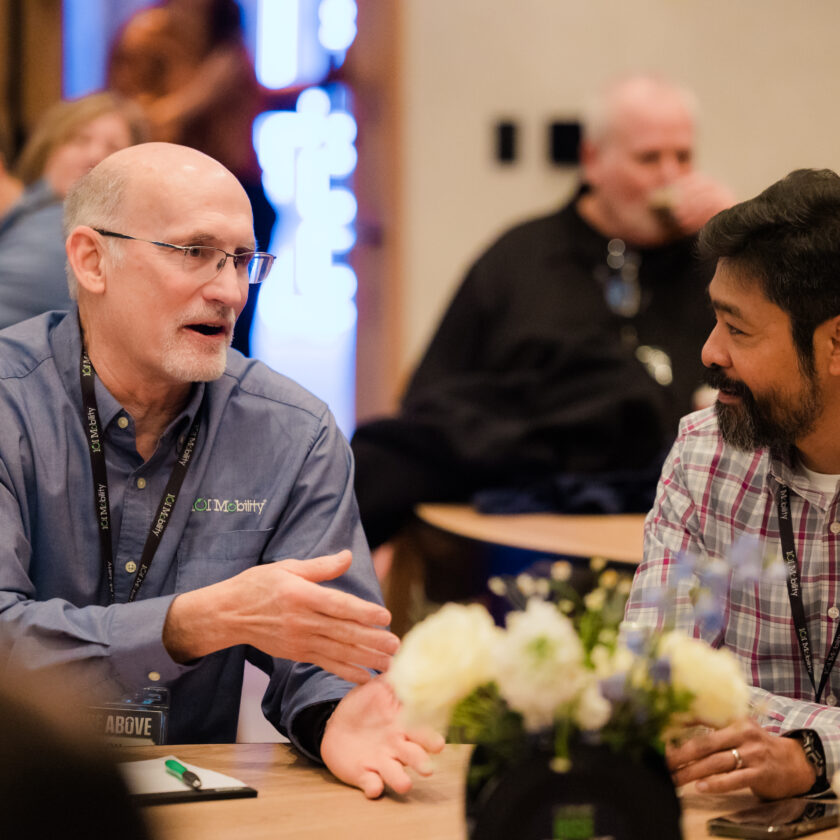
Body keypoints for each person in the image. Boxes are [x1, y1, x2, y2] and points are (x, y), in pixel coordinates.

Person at [0, 141, 442, 798]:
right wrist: (187, 624)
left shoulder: (292, 430)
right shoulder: (11, 402)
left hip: (195, 803)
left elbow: (329, 648)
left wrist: (337, 712)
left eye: (242, 260)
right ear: (92, 260)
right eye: (194, 253)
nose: (230, 290)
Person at [351, 74, 735, 558]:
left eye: (682, 157)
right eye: (649, 158)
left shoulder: (721, 264)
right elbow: (428, 401)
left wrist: (742, 242)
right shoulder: (521, 258)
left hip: (680, 522)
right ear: (593, 160)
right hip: (523, 523)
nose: (670, 176)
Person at [624, 167, 840, 800]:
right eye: (715, 321)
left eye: (738, 330)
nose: (709, 352)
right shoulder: (704, 452)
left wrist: (811, 753)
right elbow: (652, 677)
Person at [108, 0, 282, 355]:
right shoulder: (149, 35)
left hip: (241, 191)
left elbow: (248, 103)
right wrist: (201, 92)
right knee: (175, 323)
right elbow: (136, 120)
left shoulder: (229, 47)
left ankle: (225, 407)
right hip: (178, 199)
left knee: (231, 327)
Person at [0, 92, 147, 330]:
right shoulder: (27, 209)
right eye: (80, 139)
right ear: (49, 147)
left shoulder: (63, 234)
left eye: (113, 147)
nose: (94, 155)